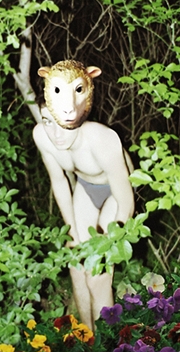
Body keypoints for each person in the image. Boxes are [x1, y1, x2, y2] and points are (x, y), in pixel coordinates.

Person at [33, 60, 134, 331]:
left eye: (60, 121)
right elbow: (59, 182)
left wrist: (108, 245)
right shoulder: (42, 136)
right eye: (47, 121)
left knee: (97, 275)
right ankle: (87, 336)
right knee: (76, 263)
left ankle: (110, 345)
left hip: (116, 194)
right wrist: (72, 233)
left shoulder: (101, 139)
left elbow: (126, 200)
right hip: (86, 188)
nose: (56, 133)